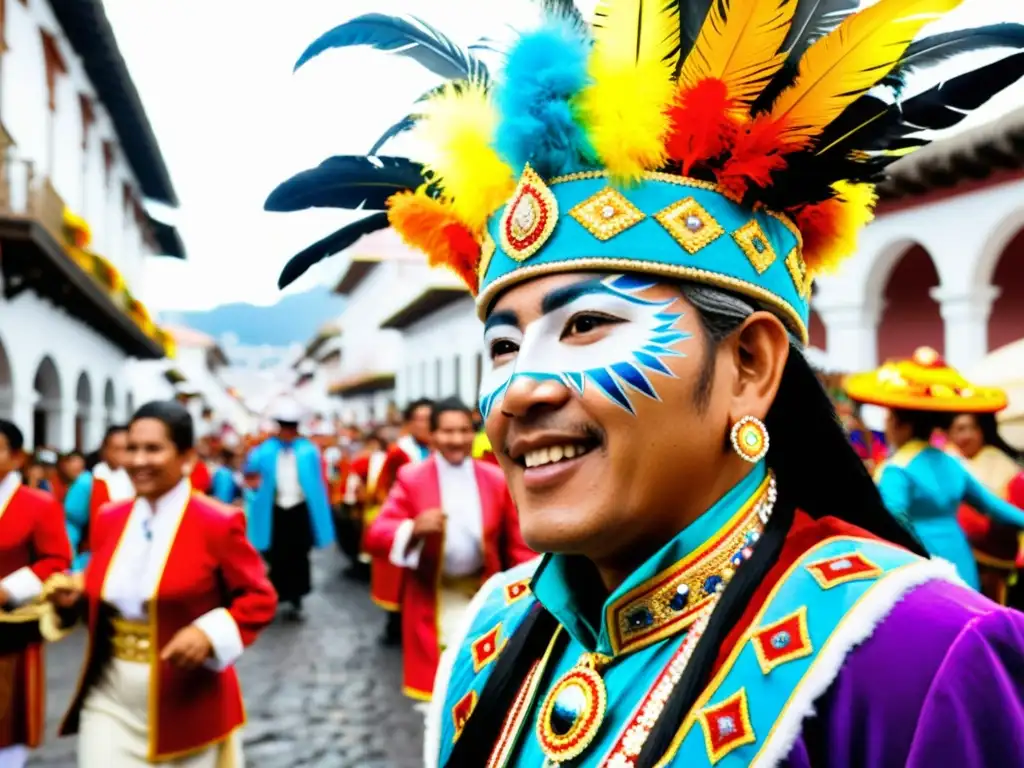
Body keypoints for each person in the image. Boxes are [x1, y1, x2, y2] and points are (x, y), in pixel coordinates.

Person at [270, 4, 1024, 765]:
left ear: (750, 366)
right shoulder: (488, 634)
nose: (520, 390)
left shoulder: (919, 658)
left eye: (586, 325)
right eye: (501, 346)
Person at [47, 400, 277, 767]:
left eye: (153, 449)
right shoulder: (110, 519)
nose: (138, 461)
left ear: (185, 457)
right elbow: (103, 585)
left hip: (187, 702)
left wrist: (208, 634)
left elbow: (259, 598)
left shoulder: (217, 523)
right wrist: (74, 596)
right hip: (109, 699)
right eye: (131, 449)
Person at [365, 398, 533, 701]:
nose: (456, 439)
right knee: (438, 695)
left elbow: (519, 545)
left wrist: (529, 594)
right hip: (433, 600)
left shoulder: (494, 478)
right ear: (432, 434)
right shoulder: (412, 478)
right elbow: (377, 534)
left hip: (484, 599)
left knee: (484, 688)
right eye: (447, 432)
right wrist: (413, 528)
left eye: (463, 431)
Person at [845, 347, 1024, 591]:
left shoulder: (898, 469)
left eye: (888, 419)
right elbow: (994, 507)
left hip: (924, 567)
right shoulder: (950, 462)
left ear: (900, 424)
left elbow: (889, 522)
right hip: (961, 561)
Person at [0, 420, 72, 768]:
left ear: (16, 457)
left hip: (12, 623)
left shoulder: (37, 504)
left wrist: (9, 589)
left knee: (9, 712)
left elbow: (57, 559)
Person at [245, 398, 334, 621]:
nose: (288, 432)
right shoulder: (264, 451)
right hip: (275, 510)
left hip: (299, 509)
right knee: (276, 554)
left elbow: (318, 481)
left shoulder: (308, 451)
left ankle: (297, 597)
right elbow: (250, 475)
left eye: (291, 427)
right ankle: (277, 594)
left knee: (300, 553)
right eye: (284, 427)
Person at [373, 398, 436, 646]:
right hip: (407, 525)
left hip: (436, 525)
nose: (425, 425)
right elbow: (383, 488)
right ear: (409, 424)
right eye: (419, 419)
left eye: (429, 419)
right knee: (400, 580)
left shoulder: (442, 449)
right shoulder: (399, 452)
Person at [947, 412, 1024, 605]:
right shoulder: (945, 461)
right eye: (960, 429)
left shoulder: (1001, 464)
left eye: (973, 428)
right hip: (952, 552)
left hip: (993, 559)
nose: (967, 435)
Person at [64, 424, 133, 572]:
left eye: (126, 449)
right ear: (104, 449)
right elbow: (71, 526)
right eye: (116, 449)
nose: (121, 455)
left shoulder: (139, 480)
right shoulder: (88, 482)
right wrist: (74, 565)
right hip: (95, 562)